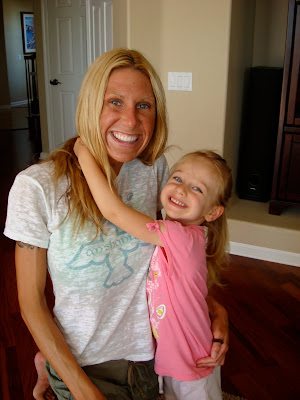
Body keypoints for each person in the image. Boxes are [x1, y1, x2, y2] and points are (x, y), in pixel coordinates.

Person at [4, 48, 228, 400]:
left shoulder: (155, 172)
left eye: (144, 105)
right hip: (83, 365)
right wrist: (81, 388)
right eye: (115, 102)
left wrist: (215, 309)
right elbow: (31, 301)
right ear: (90, 104)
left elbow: (174, 260)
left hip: (149, 357)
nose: (130, 121)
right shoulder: (37, 187)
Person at [74, 142, 232, 400]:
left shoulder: (180, 237)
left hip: (192, 358)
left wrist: (83, 153)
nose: (181, 189)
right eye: (177, 178)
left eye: (196, 188)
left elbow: (113, 211)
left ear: (213, 212)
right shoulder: (175, 232)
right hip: (176, 352)